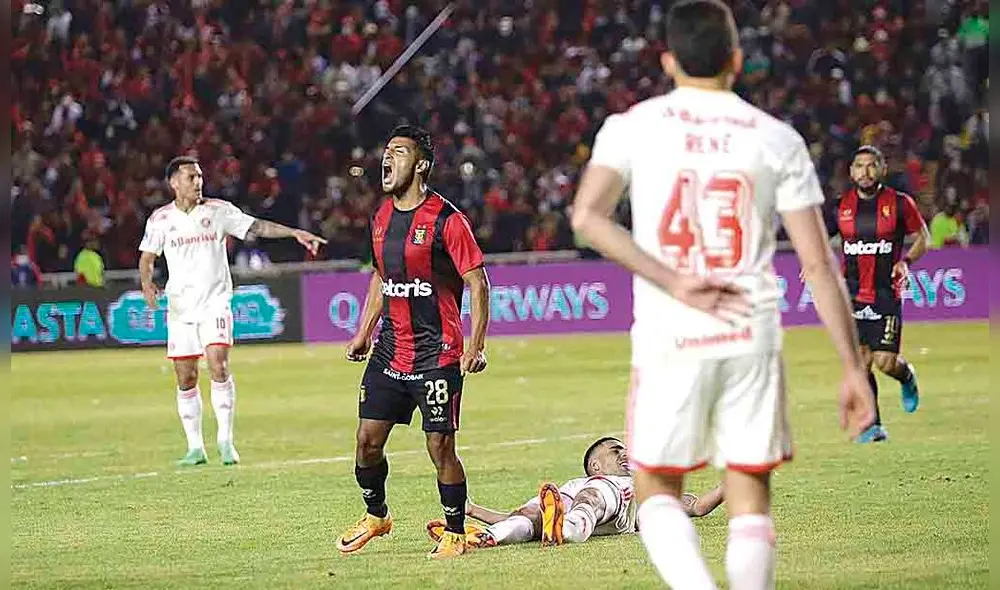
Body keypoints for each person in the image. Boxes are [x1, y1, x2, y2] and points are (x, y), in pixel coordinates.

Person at [569, 1, 876, 588]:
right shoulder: (777, 139)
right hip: (750, 333)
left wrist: (673, 278)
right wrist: (852, 365)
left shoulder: (632, 127)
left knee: (656, 491)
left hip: (670, 333)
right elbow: (817, 262)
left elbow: (588, 217)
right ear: (737, 61)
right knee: (748, 494)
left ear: (667, 61)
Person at [335, 125, 491, 560]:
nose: (387, 160)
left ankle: (455, 531)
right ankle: (376, 515)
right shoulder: (382, 217)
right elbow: (381, 277)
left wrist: (474, 345)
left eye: (398, 152)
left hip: (437, 352)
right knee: (367, 441)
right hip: (390, 349)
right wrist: (364, 331)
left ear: (420, 164)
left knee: (439, 445)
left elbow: (477, 283)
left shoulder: (446, 220)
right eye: (386, 151)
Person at [138, 156, 326, 467]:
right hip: (180, 306)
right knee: (185, 376)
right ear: (174, 182)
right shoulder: (160, 220)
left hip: (215, 302)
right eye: (190, 177)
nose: (198, 182)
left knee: (218, 364)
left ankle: (226, 442)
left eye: (199, 176)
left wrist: (295, 233)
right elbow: (147, 257)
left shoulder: (218, 211)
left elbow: (257, 226)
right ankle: (195, 447)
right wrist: (146, 283)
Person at [424, 437, 725, 549]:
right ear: (595, 463)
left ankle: (565, 529)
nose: (625, 454)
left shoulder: (639, 485)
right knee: (529, 516)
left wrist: (735, 482)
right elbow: (514, 513)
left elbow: (696, 505)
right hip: (574, 497)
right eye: (615, 450)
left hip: (617, 510)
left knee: (592, 496)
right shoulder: (571, 486)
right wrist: (472, 509)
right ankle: (488, 537)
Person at [834, 146, 930, 442]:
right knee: (861, 362)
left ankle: (906, 376)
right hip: (852, 295)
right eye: (859, 165)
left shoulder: (899, 203)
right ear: (851, 172)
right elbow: (821, 239)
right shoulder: (840, 205)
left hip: (886, 293)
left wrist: (906, 261)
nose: (865, 171)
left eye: (871, 165)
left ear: (882, 169)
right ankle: (873, 425)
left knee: (885, 361)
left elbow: (923, 237)